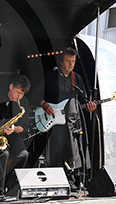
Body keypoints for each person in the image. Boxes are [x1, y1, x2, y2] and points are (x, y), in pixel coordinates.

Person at [38, 47, 96, 193]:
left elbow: (82, 100)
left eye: (73, 61)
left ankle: (71, 181)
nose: (71, 64)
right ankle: (55, 181)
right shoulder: (50, 76)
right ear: (61, 62)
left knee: (74, 152)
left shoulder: (77, 79)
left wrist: (89, 106)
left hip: (72, 122)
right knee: (56, 152)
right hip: (54, 121)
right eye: (68, 61)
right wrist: (43, 104)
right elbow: (36, 93)